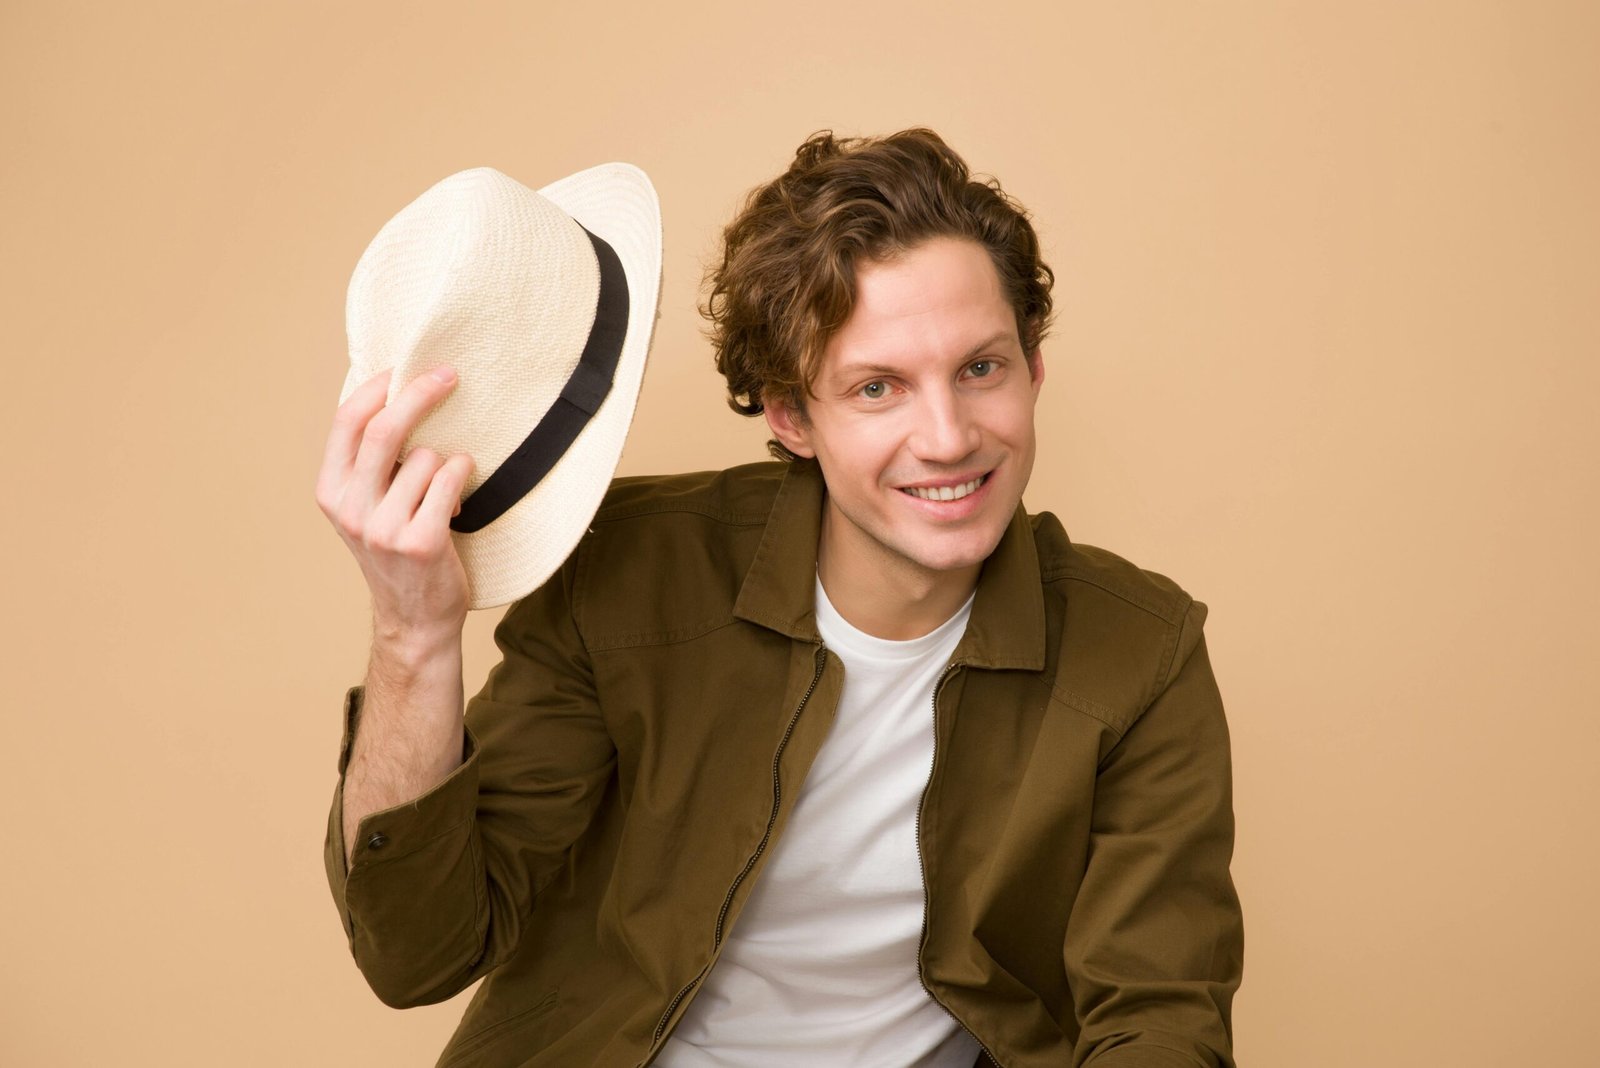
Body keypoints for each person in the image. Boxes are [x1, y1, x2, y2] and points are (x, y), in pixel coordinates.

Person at [317, 128, 1243, 1068]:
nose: (949, 436)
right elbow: (419, 953)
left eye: (981, 368)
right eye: (878, 387)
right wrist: (412, 637)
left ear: (1033, 371)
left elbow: (1159, 1019)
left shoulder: (1140, 652)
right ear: (793, 415)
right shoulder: (625, 575)